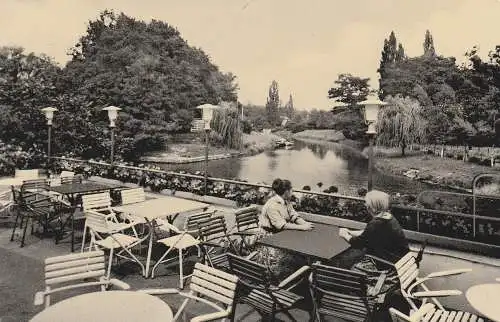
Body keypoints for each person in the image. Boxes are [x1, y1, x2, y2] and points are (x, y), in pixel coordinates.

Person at [253, 178, 313, 283]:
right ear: (286, 192)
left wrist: (304, 223)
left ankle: (298, 275)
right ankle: (286, 278)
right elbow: (281, 225)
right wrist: (302, 228)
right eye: (291, 190)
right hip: (269, 238)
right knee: (295, 255)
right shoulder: (272, 205)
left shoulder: (286, 201)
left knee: (301, 251)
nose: (292, 192)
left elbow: (293, 214)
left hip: (280, 235)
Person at [339, 189, 409, 264]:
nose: (365, 205)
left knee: (341, 261)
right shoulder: (388, 217)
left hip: (390, 262)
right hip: (400, 259)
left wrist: (344, 235)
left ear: (372, 205)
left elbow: (358, 243)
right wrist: (350, 232)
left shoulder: (376, 223)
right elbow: (368, 234)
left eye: (366, 203)